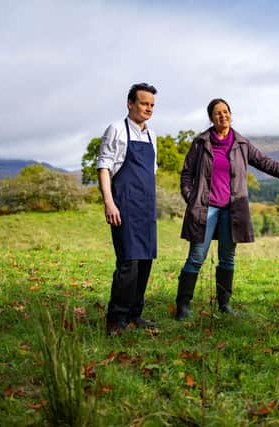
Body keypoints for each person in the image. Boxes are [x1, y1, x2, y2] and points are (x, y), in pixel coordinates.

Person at [175, 98, 279, 320]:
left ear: (231, 114)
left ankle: (224, 305)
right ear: (211, 118)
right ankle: (183, 305)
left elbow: (269, 164)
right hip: (206, 208)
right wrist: (191, 198)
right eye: (218, 113)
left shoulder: (241, 144)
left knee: (227, 258)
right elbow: (186, 174)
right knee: (196, 257)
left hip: (232, 211)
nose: (223, 116)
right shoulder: (200, 143)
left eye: (226, 112)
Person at [97, 82, 159, 335]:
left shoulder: (151, 135)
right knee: (128, 263)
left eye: (152, 105)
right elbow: (104, 167)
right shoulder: (116, 130)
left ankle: (135, 314)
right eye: (144, 103)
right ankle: (116, 319)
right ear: (130, 104)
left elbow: (150, 173)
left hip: (146, 208)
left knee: (145, 262)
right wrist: (109, 202)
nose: (148, 109)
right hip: (124, 206)